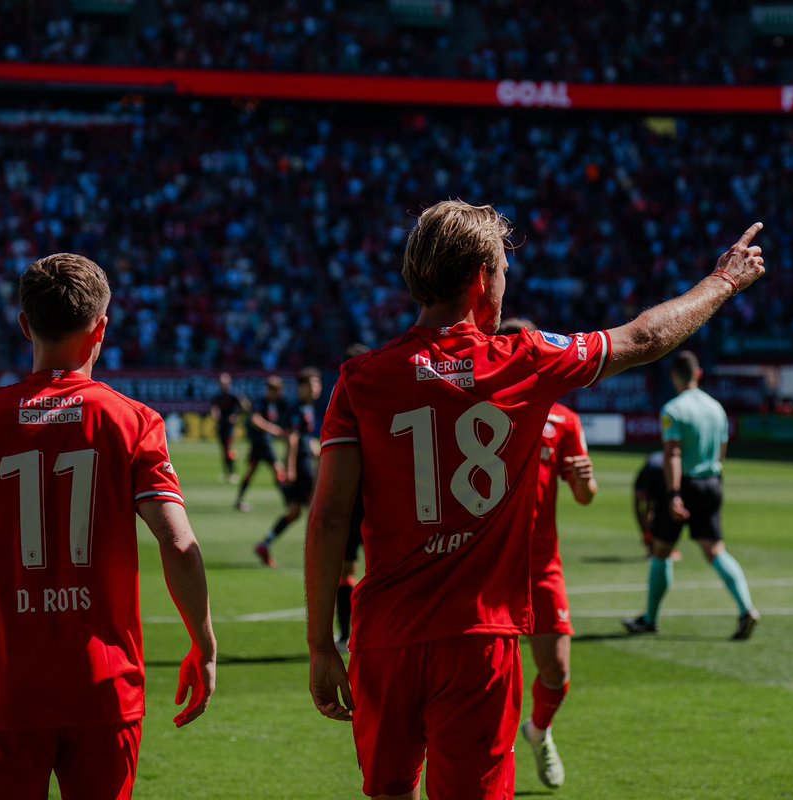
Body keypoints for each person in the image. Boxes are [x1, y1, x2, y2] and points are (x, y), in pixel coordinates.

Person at [305, 200, 765, 800]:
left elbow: (330, 518)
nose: (504, 282)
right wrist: (723, 280)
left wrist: (319, 644)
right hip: (479, 640)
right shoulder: (525, 360)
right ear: (480, 279)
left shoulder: (360, 378)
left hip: (384, 637)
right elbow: (647, 337)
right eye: (501, 269)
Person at [0, 253, 217, 800]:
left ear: (25, 325)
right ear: (101, 327)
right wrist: (203, 643)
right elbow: (178, 542)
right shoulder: (135, 422)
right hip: (105, 688)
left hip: (3, 690)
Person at [494, 317, 596, 790]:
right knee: (490, 680)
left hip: (542, 564)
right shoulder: (478, 409)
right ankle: (495, 755)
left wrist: (583, 479)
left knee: (555, 669)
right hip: (489, 566)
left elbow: (586, 495)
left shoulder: (563, 419)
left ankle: (539, 731)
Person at [624, 350, 760, 640]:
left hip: (684, 484)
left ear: (675, 376)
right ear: (699, 374)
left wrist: (673, 493)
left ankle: (650, 619)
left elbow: (672, 454)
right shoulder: (716, 408)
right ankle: (746, 608)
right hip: (712, 481)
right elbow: (722, 452)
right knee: (715, 550)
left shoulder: (674, 409)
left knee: (660, 551)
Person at [255, 367, 322, 566]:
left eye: (317, 384)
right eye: (311, 385)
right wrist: (290, 467)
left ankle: (265, 544)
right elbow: (293, 439)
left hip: (303, 462)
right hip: (302, 466)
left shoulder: (307, 408)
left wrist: (315, 448)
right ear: (301, 388)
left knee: (294, 511)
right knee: (317, 510)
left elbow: (303, 438)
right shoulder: (299, 408)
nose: (315, 389)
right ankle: (317, 556)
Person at [335, 345, 370, 654]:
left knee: (345, 569)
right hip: (378, 499)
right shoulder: (383, 400)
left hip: (349, 500)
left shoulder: (340, 404)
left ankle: (345, 635)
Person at [235, 375, 287, 512]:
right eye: (278, 390)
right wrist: (273, 429)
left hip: (260, 444)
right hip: (262, 442)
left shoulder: (273, 404)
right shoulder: (262, 402)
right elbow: (255, 420)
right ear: (272, 390)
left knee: (251, 472)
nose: (280, 393)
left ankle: (239, 500)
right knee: (278, 469)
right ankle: (288, 501)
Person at [633, 452, 682, 561]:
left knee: (650, 511)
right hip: (661, 475)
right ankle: (660, 546)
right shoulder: (659, 462)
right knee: (661, 511)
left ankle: (656, 546)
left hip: (657, 475)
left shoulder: (652, 466)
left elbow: (641, 506)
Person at [210, 372, 243, 483]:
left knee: (229, 449)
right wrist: (215, 413)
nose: (222, 385)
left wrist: (235, 416)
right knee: (224, 451)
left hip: (229, 427)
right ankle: (227, 473)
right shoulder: (218, 396)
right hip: (221, 426)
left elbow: (242, 407)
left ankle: (233, 472)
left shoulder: (234, 395)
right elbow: (214, 407)